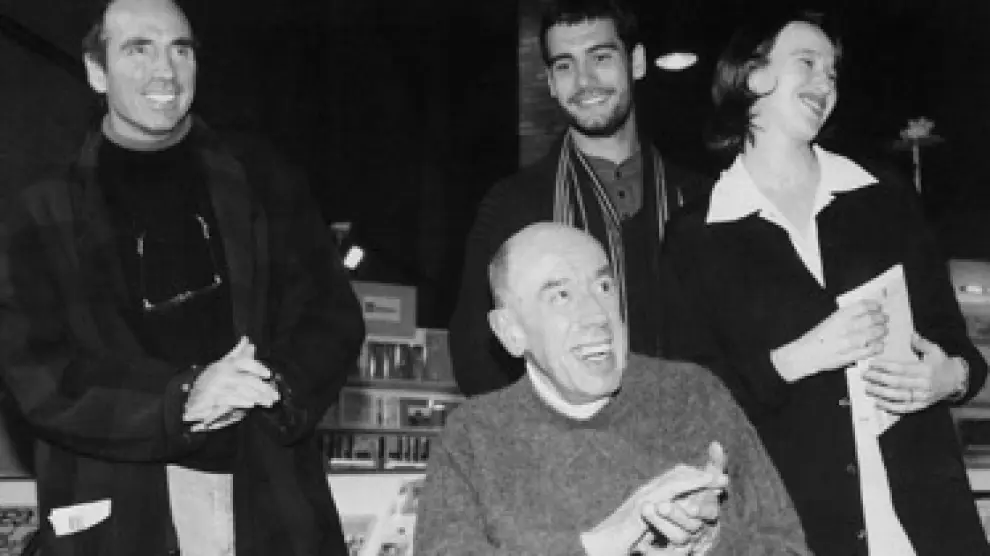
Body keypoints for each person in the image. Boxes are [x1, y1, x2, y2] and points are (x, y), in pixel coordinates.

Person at [0, 1, 366, 555]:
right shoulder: (41, 210)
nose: (165, 71)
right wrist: (182, 400)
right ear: (96, 71)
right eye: (138, 49)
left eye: (180, 50)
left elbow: (332, 316)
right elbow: (38, 376)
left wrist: (274, 385)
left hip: (271, 501)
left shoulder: (263, 179)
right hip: (119, 515)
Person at [662, 10, 990, 556]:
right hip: (795, 534)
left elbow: (961, 350)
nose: (825, 83)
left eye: (832, 72)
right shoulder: (697, 236)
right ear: (752, 76)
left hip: (929, 527)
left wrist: (948, 377)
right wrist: (796, 359)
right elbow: (689, 407)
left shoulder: (884, 198)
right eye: (807, 63)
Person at [415, 223, 810, 555]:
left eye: (603, 287)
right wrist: (606, 541)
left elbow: (788, 546)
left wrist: (710, 544)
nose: (596, 316)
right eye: (561, 296)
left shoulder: (694, 396)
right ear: (511, 331)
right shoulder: (473, 437)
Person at [448, 0, 708, 397]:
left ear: (636, 62)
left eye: (600, 57)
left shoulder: (702, 201)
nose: (584, 81)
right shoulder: (513, 208)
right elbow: (475, 356)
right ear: (551, 83)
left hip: (691, 428)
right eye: (565, 66)